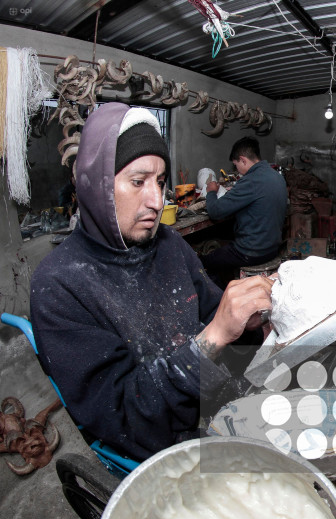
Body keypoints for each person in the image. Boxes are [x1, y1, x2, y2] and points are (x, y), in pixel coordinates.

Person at [30, 103, 275, 462]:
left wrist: (247, 324)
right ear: (97, 184)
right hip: (162, 447)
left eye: (160, 182)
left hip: (213, 404)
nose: (157, 200)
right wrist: (212, 338)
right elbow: (124, 417)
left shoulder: (169, 243)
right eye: (138, 182)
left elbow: (215, 315)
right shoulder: (59, 284)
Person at [201, 137, 287, 288]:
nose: (237, 170)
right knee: (226, 243)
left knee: (204, 262)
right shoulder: (276, 176)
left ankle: (219, 296)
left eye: (236, 165)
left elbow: (215, 211)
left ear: (243, 160)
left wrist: (211, 192)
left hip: (251, 252)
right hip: (272, 248)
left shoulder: (250, 181)